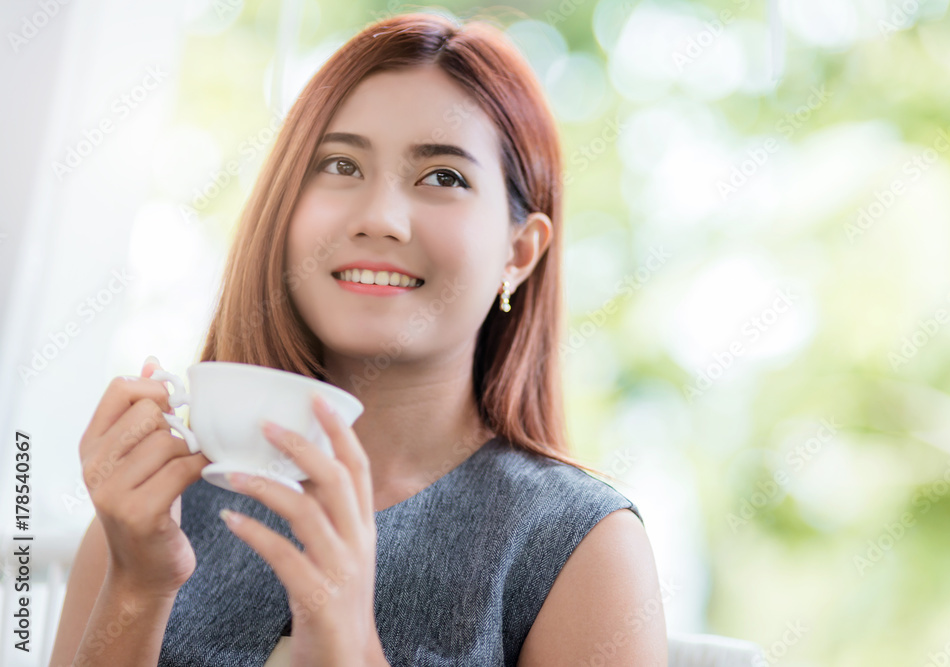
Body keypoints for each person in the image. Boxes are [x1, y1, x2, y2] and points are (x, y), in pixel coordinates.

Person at [49, 12, 668, 667]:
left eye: (444, 176)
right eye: (341, 164)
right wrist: (137, 588)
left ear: (519, 252)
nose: (379, 218)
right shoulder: (155, 511)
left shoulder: (582, 544)